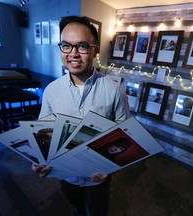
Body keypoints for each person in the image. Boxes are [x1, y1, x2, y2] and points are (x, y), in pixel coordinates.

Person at [31, 16, 130, 216]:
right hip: (65, 175)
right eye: (66, 46)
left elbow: (126, 134)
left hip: (98, 176)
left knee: (97, 212)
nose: (73, 54)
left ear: (95, 49)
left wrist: (112, 165)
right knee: (76, 209)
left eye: (82, 46)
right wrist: (38, 158)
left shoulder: (115, 91)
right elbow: (42, 131)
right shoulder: (51, 91)